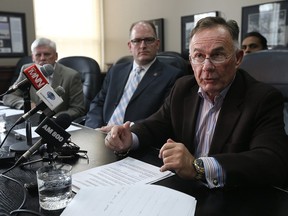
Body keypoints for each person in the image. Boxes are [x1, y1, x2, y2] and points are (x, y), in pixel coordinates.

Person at [104, 17, 288, 189]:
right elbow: (158, 123)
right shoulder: (183, 87)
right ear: (190, 61)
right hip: (184, 190)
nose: (207, 66)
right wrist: (131, 137)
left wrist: (198, 167)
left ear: (238, 58)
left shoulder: (263, 98)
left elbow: (271, 161)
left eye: (217, 55)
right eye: (199, 56)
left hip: (232, 196)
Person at [85, 20, 184, 130]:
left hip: (135, 138)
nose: (142, 46)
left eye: (148, 40)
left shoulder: (172, 76)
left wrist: (126, 129)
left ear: (157, 44)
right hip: (101, 133)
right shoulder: (115, 71)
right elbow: (98, 103)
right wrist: (94, 130)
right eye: (136, 41)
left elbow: (162, 117)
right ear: (130, 46)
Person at [3, 38, 85, 121]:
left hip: (54, 123)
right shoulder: (28, 70)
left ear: (56, 56)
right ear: (33, 57)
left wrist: (55, 118)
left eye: (47, 54)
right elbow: (9, 96)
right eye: (38, 55)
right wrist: (28, 105)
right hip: (31, 120)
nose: (42, 58)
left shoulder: (71, 75)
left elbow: (78, 109)